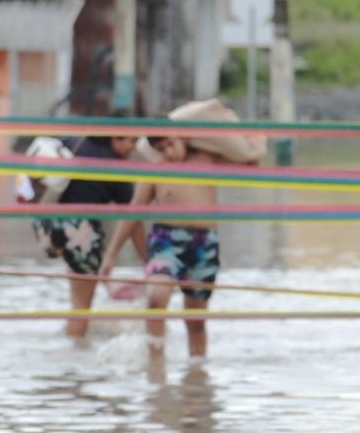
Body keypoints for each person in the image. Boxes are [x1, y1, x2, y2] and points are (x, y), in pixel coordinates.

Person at [99, 134, 219, 356]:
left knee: (196, 321)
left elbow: (247, 154)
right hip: (166, 240)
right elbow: (134, 212)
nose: (170, 153)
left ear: (184, 139)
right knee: (156, 297)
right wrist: (111, 254)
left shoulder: (206, 160)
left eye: (172, 144)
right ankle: (156, 368)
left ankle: (198, 373)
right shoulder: (156, 170)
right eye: (162, 149)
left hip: (203, 243)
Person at [29, 134, 138, 339]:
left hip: (49, 224)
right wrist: (147, 258)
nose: (133, 147)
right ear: (115, 139)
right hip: (81, 233)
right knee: (81, 307)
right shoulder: (116, 167)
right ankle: (76, 358)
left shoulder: (74, 141)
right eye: (130, 141)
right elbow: (134, 220)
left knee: (79, 299)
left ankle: (110, 287)